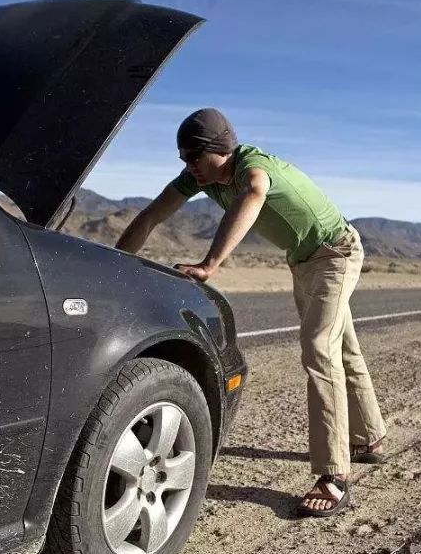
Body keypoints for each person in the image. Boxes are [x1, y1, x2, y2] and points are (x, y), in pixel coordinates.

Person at [115, 108, 387, 517]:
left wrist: (210, 264)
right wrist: (115, 267)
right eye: (183, 159)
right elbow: (153, 215)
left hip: (337, 252)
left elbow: (255, 192)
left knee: (319, 350)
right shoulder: (198, 178)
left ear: (220, 150)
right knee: (342, 348)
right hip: (304, 260)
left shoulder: (252, 167)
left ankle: (334, 475)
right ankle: (370, 438)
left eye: (195, 157)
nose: (189, 167)